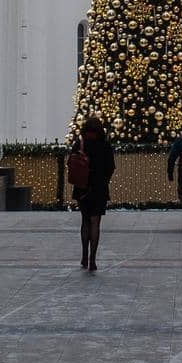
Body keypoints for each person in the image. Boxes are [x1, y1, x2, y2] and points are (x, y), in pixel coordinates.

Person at [68, 114, 115, 272]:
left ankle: (83, 256)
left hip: (82, 188)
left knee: (85, 221)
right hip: (99, 188)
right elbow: (110, 167)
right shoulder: (104, 144)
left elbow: (71, 163)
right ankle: (93, 260)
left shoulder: (80, 144)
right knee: (95, 222)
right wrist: (103, 179)